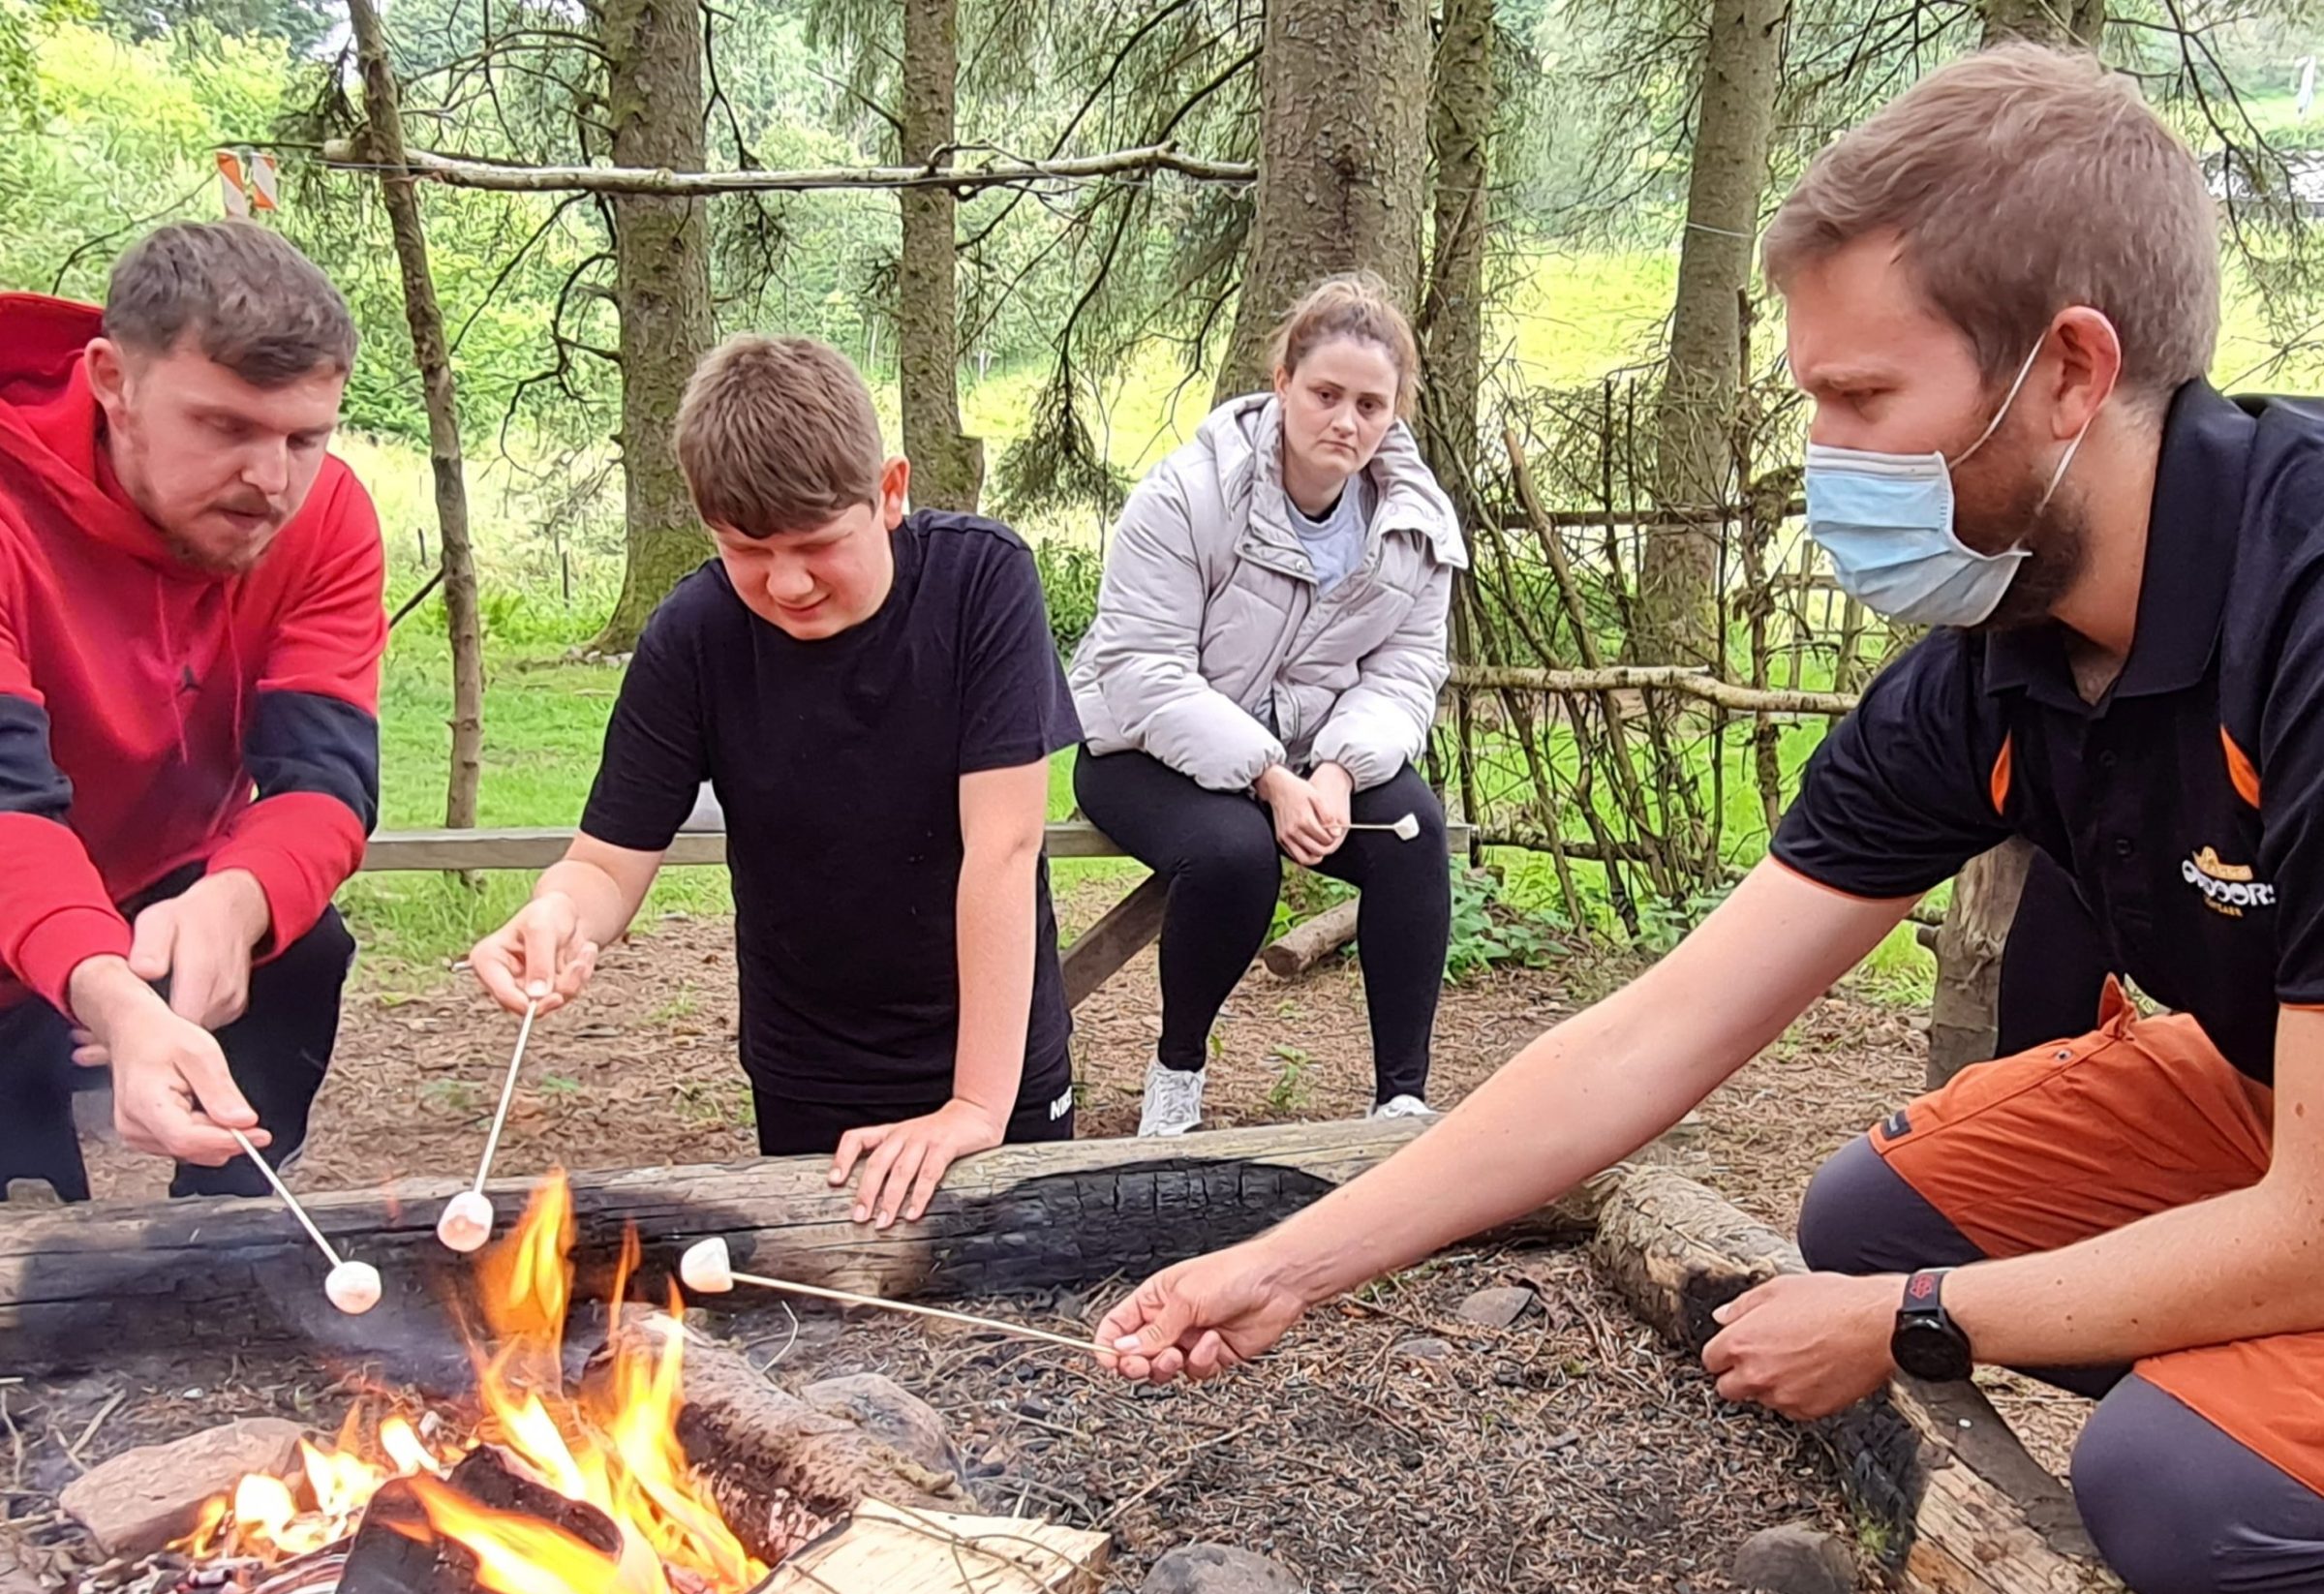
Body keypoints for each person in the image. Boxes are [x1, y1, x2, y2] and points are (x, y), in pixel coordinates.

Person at [1096, 45, 2324, 1594]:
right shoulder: (1997, 672)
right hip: (2272, 1092)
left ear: (2071, 374)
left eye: (1863, 398)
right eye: (1812, 399)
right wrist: (1286, 1264)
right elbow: (1652, 1035)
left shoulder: (2299, 616)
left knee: (2175, 1493)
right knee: (1873, 1218)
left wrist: (1917, 1324)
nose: (1827, 460)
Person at [469, 335, 1079, 1228]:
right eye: (747, 549)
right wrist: (558, 913)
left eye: (817, 544)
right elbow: (606, 863)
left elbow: (1004, 846)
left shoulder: (981, 581)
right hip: (808, 1067)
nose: (787, 583)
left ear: (891, 492)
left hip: (993, 1062)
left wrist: (975, 1106)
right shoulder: (694, 637)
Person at [0, 221, 384, 1200]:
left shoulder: (326, 515)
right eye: (225, 427)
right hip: (18, 879)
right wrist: (106, 990)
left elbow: (325, 776)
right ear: (112, 381)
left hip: (157, 878)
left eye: (304, 438)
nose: (272, 481)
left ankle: (233, 1246)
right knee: (27, 1222)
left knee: (301, 946)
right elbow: (7, 808)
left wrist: (239, 900)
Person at [1069, 272, 1465, 1137]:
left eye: (1370, 404)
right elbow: (1143, 669)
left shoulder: (1416, 526)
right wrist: (1267, 777)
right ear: (1282, 382)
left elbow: (1406, 673)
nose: (1346, 421)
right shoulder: (1185, 497)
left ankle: (1400, 1097)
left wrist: (1338, 769)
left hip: (1311, 750)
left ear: (1393, 413)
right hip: (1139, 744)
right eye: (1326, 394)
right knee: (1234, 852)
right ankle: (1178, 1071)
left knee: (1414, 832)